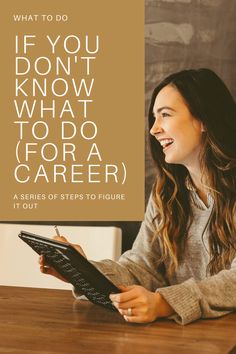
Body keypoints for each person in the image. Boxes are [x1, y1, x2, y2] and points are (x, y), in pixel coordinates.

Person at [39, 68, 236, 325]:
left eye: (165, 115)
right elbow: (142, 268)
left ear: (204, 120)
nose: (154, 129)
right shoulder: (167, 193)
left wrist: (164, 303)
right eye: (154, 118)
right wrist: (81, 271)